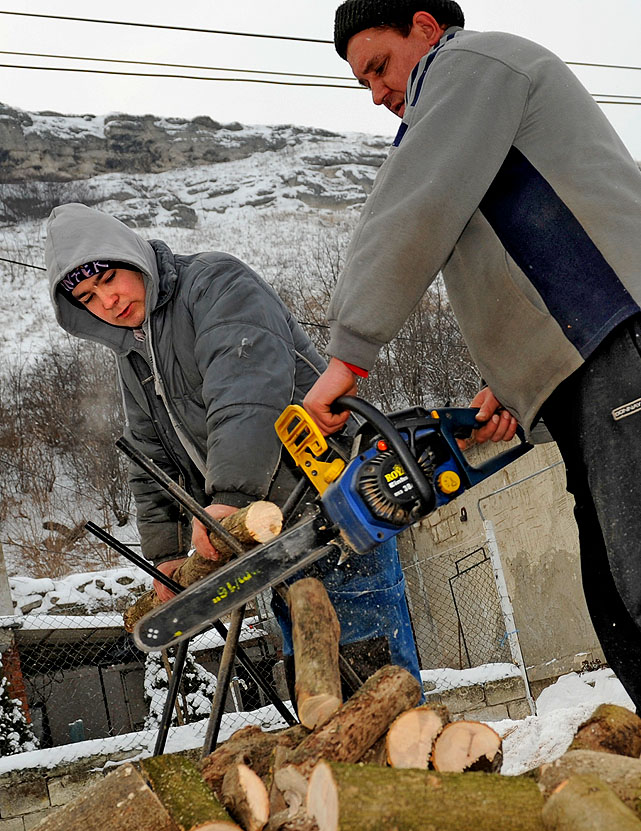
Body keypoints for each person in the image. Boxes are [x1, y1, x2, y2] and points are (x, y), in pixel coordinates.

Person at [304, 1, 641, 709]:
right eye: (360, 82)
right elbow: (515, 260)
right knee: (614, 593)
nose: (375, 93)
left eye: (378, 66)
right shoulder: (466, 110)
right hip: (588, 359)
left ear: (424, 27)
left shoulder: (467, 65)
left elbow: (412, 210)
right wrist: (510, 383)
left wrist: (347, 357)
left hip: (619, 338)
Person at [44, 203, 421, 697]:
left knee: (372, 673)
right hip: (271, 532)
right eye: (89, 297)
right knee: (317, 686)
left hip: (331, 499)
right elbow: (153, 458)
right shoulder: (136, 352)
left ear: (131, 257)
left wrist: (228, 494)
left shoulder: (215, 283)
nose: (108, 302)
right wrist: (168, 554)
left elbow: (248, 388)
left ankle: (407, 766)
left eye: (110, 279)